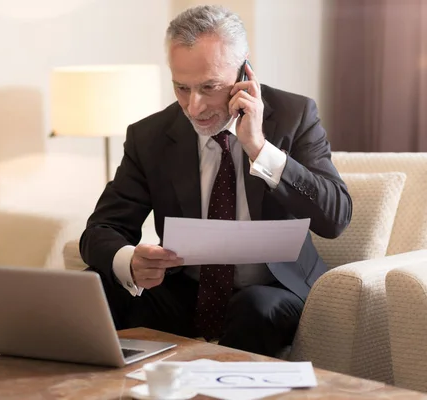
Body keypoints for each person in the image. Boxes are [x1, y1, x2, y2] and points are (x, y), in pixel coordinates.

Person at [79, 5, 352, 357]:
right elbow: (100, 230)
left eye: (209, 87)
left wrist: (259, 148)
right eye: (182, 88)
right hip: (186, 291)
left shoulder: (293, 116)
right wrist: (129, 260)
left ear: (244, 72)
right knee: (97, 282)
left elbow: (336, 218)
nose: (194, 107)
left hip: (272, 288)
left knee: (254, 307)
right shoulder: (150, 136)